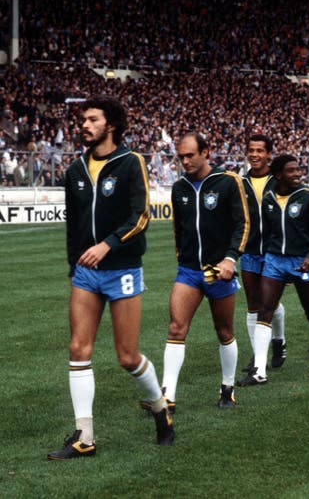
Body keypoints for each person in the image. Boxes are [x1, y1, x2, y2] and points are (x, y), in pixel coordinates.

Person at [48, 95, 173, 460]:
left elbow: (140, 216)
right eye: (82, 119)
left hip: (122, 270)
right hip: (86, 274)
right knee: (77, 349)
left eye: (92, 119)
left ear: (111, 125)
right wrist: (76, 267)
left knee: (127, 356)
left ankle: (160, 407)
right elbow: (73, 226)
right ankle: (83, 435)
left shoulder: (131, 162)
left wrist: (108, 245)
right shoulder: (75, 170)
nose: (84, 124)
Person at [140, 132, 249, 412]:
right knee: (176, 327)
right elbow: (180, 229)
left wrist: (230, 258)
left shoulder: (228, 181)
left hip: (218, 269)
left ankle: (227, 388)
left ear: (206, 152)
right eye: (181, 157)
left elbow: (243, 224)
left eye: (190, 155)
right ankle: (168, 396)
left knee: (224, 330)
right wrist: (183, 258)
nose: (185, 161)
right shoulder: (179, 188)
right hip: (188, 270)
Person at [239, 154, 309, 385]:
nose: (297, 174)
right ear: (278, 175)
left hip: (302, 263)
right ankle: (259, 371)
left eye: (298, 170)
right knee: (264, 311)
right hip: (274, 263)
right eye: (291, 171)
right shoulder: (269, 199)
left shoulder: (308, 196)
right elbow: (268, 232)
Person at [239, 135, 286, 374]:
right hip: (248, 252)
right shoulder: (240, 182)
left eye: (260, 150)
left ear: (269, 154)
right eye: (251, 150)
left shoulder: (278, 182)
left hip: (273, 251)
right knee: (253, 305)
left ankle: (278, 341)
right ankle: (258, 357)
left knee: (271, 303)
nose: (255, 154)